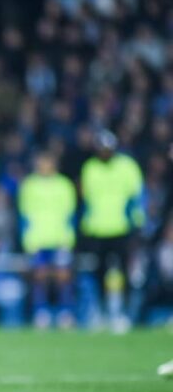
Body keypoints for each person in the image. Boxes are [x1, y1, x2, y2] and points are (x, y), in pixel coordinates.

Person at [79, 129, 144, 331]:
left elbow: (137, 197)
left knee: (123, 271)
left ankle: (122, 313)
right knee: (99, 273)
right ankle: (101, 312)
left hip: (121, 227)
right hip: (98, 228)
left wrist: (138, 222)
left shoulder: (127, 167)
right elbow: (86, 199)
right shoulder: (90, 168)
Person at [18, 150, 77, 329]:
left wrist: (69, 238)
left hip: (60, 239)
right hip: (37, 240)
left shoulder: (64, 185)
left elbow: (70, 215)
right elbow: (24, 215)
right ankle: (40, 313)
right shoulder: (29, 185)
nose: (43, 166)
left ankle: (65, 313)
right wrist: (27, 239)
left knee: (63, 277)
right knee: (40, 277)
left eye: (47, 162)